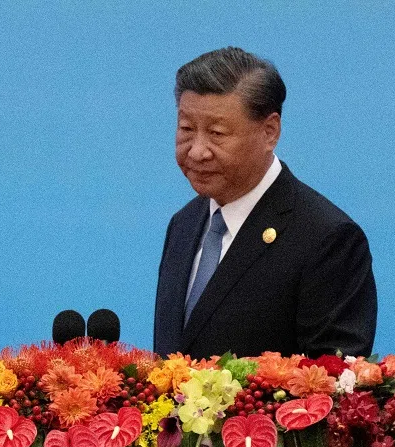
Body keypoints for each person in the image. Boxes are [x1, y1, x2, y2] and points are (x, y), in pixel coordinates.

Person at [153, 47, 377, 360]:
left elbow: (332, 387)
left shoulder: (327, 240)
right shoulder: (185, 222)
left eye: (217, 133)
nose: (197, 151)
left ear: (269, 132)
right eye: (187, 129)